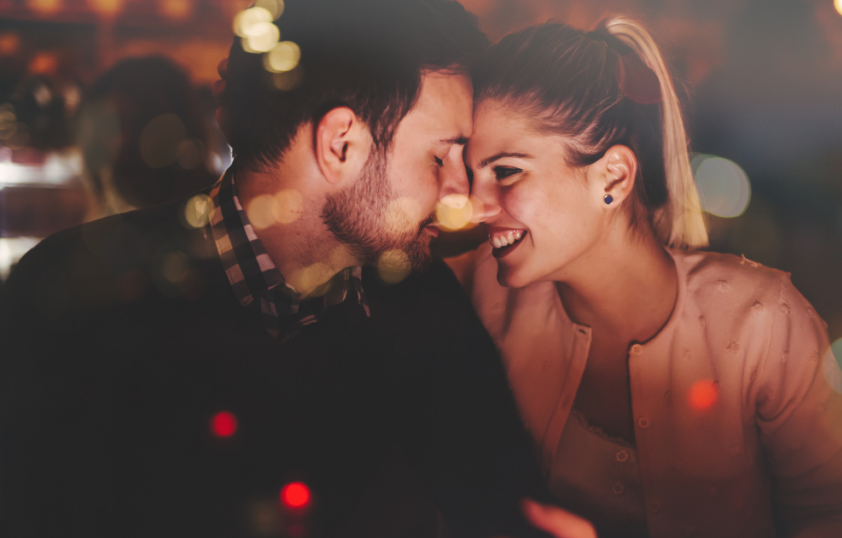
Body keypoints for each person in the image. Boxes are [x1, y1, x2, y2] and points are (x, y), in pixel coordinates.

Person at [0, 1, 557, 536]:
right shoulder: (73, 298)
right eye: (441, 156)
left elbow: (499, 502)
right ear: (340, 145)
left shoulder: (424, 302)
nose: (462, 192)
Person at [449, 17, 842, 538]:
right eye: (472, 175)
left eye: (505, 171)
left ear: (613, 177)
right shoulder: (476, 295)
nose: (476, 206)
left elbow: (841, 518)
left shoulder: (763, 325)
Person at [75, 55, 217, 219]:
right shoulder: (108, 216)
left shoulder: (222, 210)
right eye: (110, 126)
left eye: (141, 123)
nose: (124, 140)